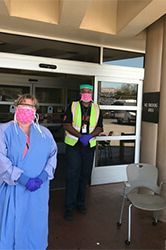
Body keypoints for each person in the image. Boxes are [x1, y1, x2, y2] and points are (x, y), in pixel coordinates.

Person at [0, 94, 57, 250]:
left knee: (34, 223)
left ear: (35, 110)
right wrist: (22, 179)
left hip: (37, 191)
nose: (27, 109)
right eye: (23, 105)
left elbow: (52, 156)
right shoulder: (3, 131)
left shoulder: (45, 134)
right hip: (11, 188)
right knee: (10, 225)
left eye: (31, 106)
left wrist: (43, 176)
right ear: (16, 107)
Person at [62, 84, 103, 221]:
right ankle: (69, 207)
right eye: (83, 92)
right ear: (80, 93)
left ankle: (80, 203)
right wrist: (80, 136)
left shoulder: (97, 109)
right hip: (74, 145)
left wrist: (90, 136)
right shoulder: (72, 106)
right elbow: (66, 124)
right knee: (73, 175)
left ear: (92, 93)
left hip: (88, 147)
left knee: (84, 176)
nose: (86, 94)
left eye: (88, 92)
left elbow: (99, 127)